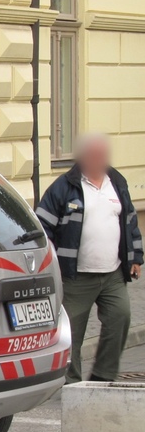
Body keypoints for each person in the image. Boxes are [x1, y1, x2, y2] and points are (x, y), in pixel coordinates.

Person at [36, 134, 143, 383]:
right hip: (76, 276)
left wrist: (135, 257)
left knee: (121, 317)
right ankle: (71, 382)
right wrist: (52, 260)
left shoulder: (116, 182)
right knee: (71, 332)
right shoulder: (64, 186)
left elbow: (129, 222)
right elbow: (42, 225)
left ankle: (103, 376)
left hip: (113, 273)